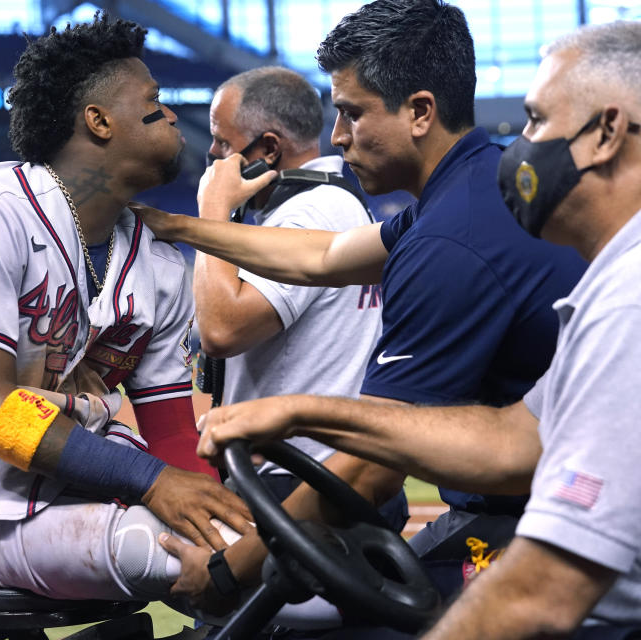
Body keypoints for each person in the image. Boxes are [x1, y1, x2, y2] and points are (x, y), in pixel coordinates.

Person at [193, 20, 641, 637]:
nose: (523, 144)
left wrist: (225, 573)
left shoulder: (605, 294)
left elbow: (544, 589)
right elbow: (517, 439)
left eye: (537, 121)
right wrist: (299, 412)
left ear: (608, 133)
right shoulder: (579, 258)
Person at [0, 14, 252, 603]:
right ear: (99, 120)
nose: (170, 117)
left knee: (252, 544)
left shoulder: (156, 262)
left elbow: (171, 435)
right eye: (153, 102)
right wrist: (154, 484)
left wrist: (213, 512)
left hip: (83, 486)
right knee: (171, 549)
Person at [195, 66, 406, 528]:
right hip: (324, 470)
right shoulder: (331, 202)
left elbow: (221, 330)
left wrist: (213, 208)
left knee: (194, 584)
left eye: (224, 143)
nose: (213, 155)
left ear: (269, 148)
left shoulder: (311, 211)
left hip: (298, 477)